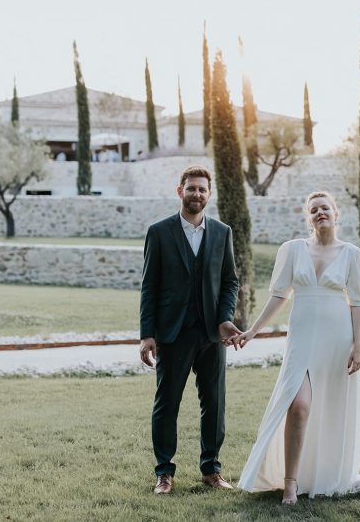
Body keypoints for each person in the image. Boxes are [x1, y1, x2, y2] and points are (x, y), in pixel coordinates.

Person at [232, 191, 360, 504]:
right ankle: (289, 483)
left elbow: (358, 303)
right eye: (314, 210)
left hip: (336, 341)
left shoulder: (353, 255)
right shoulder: (292, 250)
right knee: (298, 406)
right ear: (307, 218)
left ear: (336, 214)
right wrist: (252, 331)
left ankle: (322, 472)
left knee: (329, 409)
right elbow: (279, 296)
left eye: (325, 208)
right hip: (302, 340)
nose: (320, 213)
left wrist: (358, 346)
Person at [139, 165, 241, 495]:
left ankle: (211, 470)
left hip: (213, 335)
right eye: (191, 188)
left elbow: (229, 281)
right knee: (167, 403)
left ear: (209, 194)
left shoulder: (222, 232)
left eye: (202, 189)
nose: (197, 194)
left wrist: (225, 317)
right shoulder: (159, 231)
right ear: (179, 190)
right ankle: (164, 473)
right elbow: (149, 287)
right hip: (173, 333)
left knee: (214, 403)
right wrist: (147, 333)